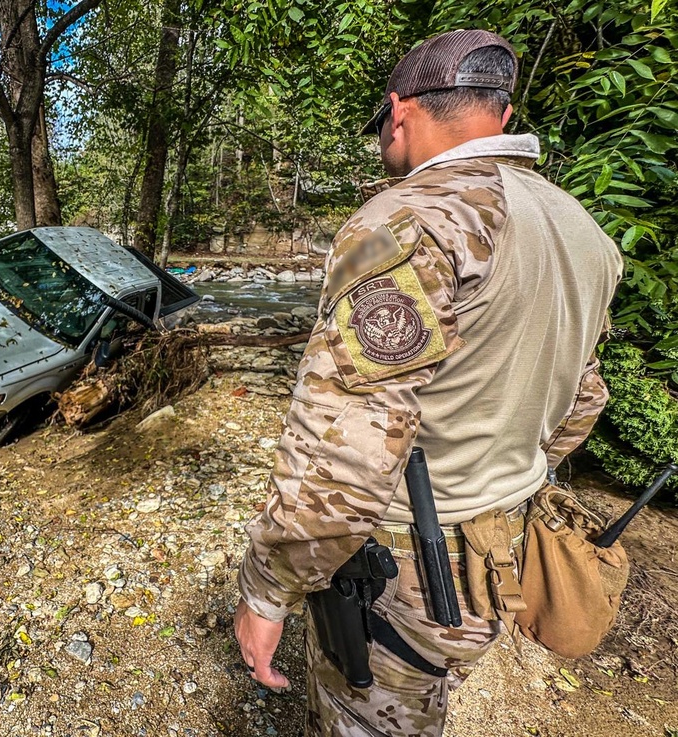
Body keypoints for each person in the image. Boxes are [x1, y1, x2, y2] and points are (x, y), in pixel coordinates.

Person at [233, 29, 623, 736]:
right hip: (501, 550)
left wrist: (268, 591)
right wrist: (508, 473)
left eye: (381, 126)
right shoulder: (579, 227)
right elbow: (583, 393)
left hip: (403, 563)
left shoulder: (409, 220)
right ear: (501, 118)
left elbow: (350, 437)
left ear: (399, 111)